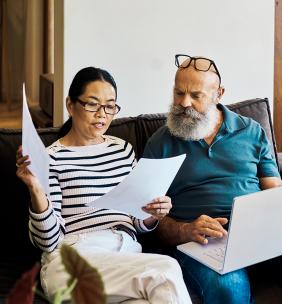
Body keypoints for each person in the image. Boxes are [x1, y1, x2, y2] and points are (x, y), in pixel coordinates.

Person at [143, 54, 282, 303]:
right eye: (178, 93)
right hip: (201, 242)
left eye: (196, 96)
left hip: (260, 236)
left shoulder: (251, 131)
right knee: (229, 288)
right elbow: (151, 221)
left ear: (219, 94)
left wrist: (281, 218)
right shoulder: (161, 142)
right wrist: (186, 229)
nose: (184, 103)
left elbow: (275, 189)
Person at [16, 67, 191, 304]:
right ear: (70, 105)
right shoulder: (51, 158)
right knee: (166, 270)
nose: (102, 114)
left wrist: (152, 214)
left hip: (125, 256)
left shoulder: (123, 150)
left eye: (110, 106)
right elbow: (48, 240)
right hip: (73, 259)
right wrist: (36, 190)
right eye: (92, 104)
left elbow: (137, 221)